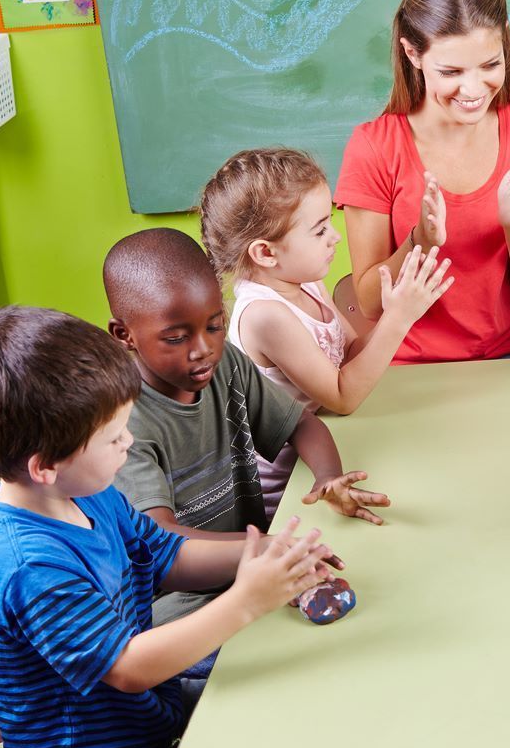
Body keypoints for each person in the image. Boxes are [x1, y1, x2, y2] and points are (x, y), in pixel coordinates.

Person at [0, 306, 336, 748]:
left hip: (147, 714)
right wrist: (246, 600)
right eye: (112, 438)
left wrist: (268, 554)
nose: (128, 443)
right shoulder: (27, 565)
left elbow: (165, 555)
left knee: (300, 699)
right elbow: (129, 667)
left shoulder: (86, 491)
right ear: (45, 465)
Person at [103, 227, 387, 626]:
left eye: (215, 326)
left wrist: (328, 478)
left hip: (249, 565)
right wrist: (266, 551)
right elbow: (162, 542)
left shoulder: (226, 366)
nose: (203, 348)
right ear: (124, 335)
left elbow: (301, 424)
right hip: (180, 602)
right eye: (176, 338)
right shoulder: (122, 426)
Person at [334, 0, 510, 363]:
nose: (474, 88)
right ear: (412, 53)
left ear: (505, 38)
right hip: (409, 364)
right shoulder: (374, 146)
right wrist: (419, 241)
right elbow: (370, 304)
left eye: (490, 64)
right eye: (452, 71)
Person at [199, 146, 453, 440]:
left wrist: (401, 307)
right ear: (266, 252)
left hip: (333, 438)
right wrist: (398, 320)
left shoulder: (305, 283)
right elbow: (342, 397)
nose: (335, 237)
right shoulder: (265, 315)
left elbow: (351, 354)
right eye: (319, 231)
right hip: (291, 475)